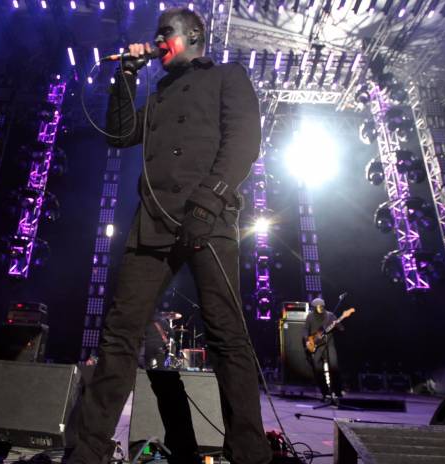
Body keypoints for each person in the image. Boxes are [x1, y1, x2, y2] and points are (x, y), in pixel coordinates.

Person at [68, 7, 270, 464]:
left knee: (226, 336)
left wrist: (209, 200)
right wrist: (125, 77)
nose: (158, 41)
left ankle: (251, 454)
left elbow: (243, 141)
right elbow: (119, 135)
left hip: (207, 218)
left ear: (194, 34)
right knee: (120, 335)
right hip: (153, 222)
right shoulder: (159, 93)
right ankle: (87, 452)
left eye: (166, 33)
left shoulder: (228, 76)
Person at [304, 298, 343, 402]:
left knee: (334, 367)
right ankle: (325, 393)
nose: (319, 309)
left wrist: (337, 324)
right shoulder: (310, 316)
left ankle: (337, 392)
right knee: (318, 370)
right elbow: (305, 330)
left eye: (321, 306)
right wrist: (307, 341)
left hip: (329, 344)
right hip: (317, 346)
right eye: (316, 307)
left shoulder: (330, 315)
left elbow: (341, 328)